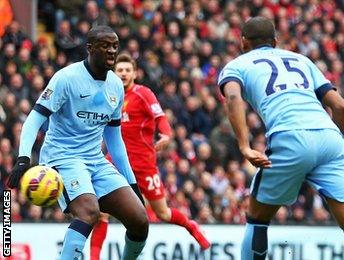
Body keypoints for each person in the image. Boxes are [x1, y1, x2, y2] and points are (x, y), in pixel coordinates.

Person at [218, 17, 344, 260]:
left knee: (257, 218)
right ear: (275, 42)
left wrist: (244, 146)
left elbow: (232, 98)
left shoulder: (236, 65)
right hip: (330, 137)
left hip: (290, 136)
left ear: (243, 42)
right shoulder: (301, 59)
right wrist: (340, 138)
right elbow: (340, 106)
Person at [7, 26, 149, 260]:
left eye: (115, 46)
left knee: (139, 220)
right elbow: (34, 119)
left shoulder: (115, 86)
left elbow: (114, 141)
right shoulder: (67, 78)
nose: (112, 51)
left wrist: (132, 183)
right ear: (90, 49)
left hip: (94, 160)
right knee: (88, 212)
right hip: (62, 157)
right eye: (105, 46)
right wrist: (23, 158)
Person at [89, 54, 211, 260]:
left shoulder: (143, 93)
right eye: (120, 70)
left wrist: (166, 134)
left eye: (128, 70)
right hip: (115, 163)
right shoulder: (109, 96)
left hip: (145, 165)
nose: (124, 73)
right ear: (114, 73)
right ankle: (94, 257)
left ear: (135, 73)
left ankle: (192, 227)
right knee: (102, 212)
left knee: (162, 213)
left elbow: (160, 117)